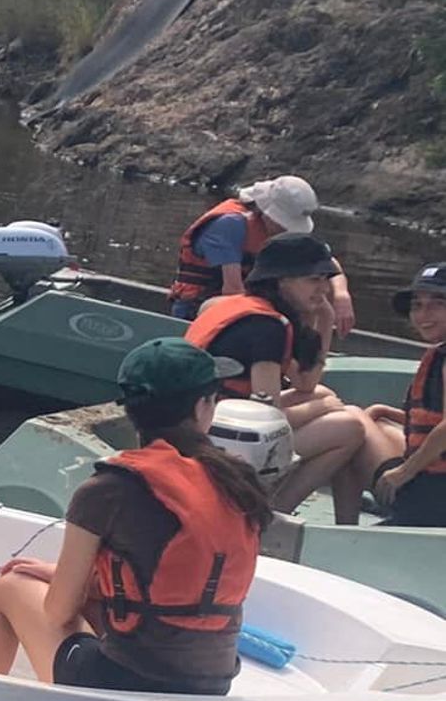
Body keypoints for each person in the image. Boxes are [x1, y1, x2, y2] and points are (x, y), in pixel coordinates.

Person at [0, 339, 272, 695]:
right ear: (202, 407)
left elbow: (58, 611)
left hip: (128, 684)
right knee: (91, 602)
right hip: (212, 682)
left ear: (130, 411)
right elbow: (168, 580)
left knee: (9, 586)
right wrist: (62, 577)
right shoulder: (238, 482)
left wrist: (61, 582)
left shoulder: (109, 489)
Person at [184, 230, 390, 522]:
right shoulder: (267, 328)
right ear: (281, 280)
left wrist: (325, 318)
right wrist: (322, 408)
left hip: (202, 424)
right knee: (350, 427)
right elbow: (267, 422)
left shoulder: (227, 305)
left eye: (325, 279)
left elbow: (306, 382)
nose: (323, 289)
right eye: (313, 280)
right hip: (218, 441)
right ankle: (268, 516)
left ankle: (346, 524)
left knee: (324, 395)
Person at [167, 174, 356, 336]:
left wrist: (341, 295)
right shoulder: (229, 225)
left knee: (321, 307)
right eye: (284, 223)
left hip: (250, 304)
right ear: (268, 214)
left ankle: (311, 359)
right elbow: (232, 289)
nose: (287, 229)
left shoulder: (282, 234)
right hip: (200, 308)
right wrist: (274, 320)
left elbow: (328, 263)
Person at [373, 262, 446, 528]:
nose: (423, 314)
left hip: (436, 493)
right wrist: (386, 412)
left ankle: (345, 528)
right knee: (374, 423)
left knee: (354, 435)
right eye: (417, 305)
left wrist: (404, 472)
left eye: (438, 304)